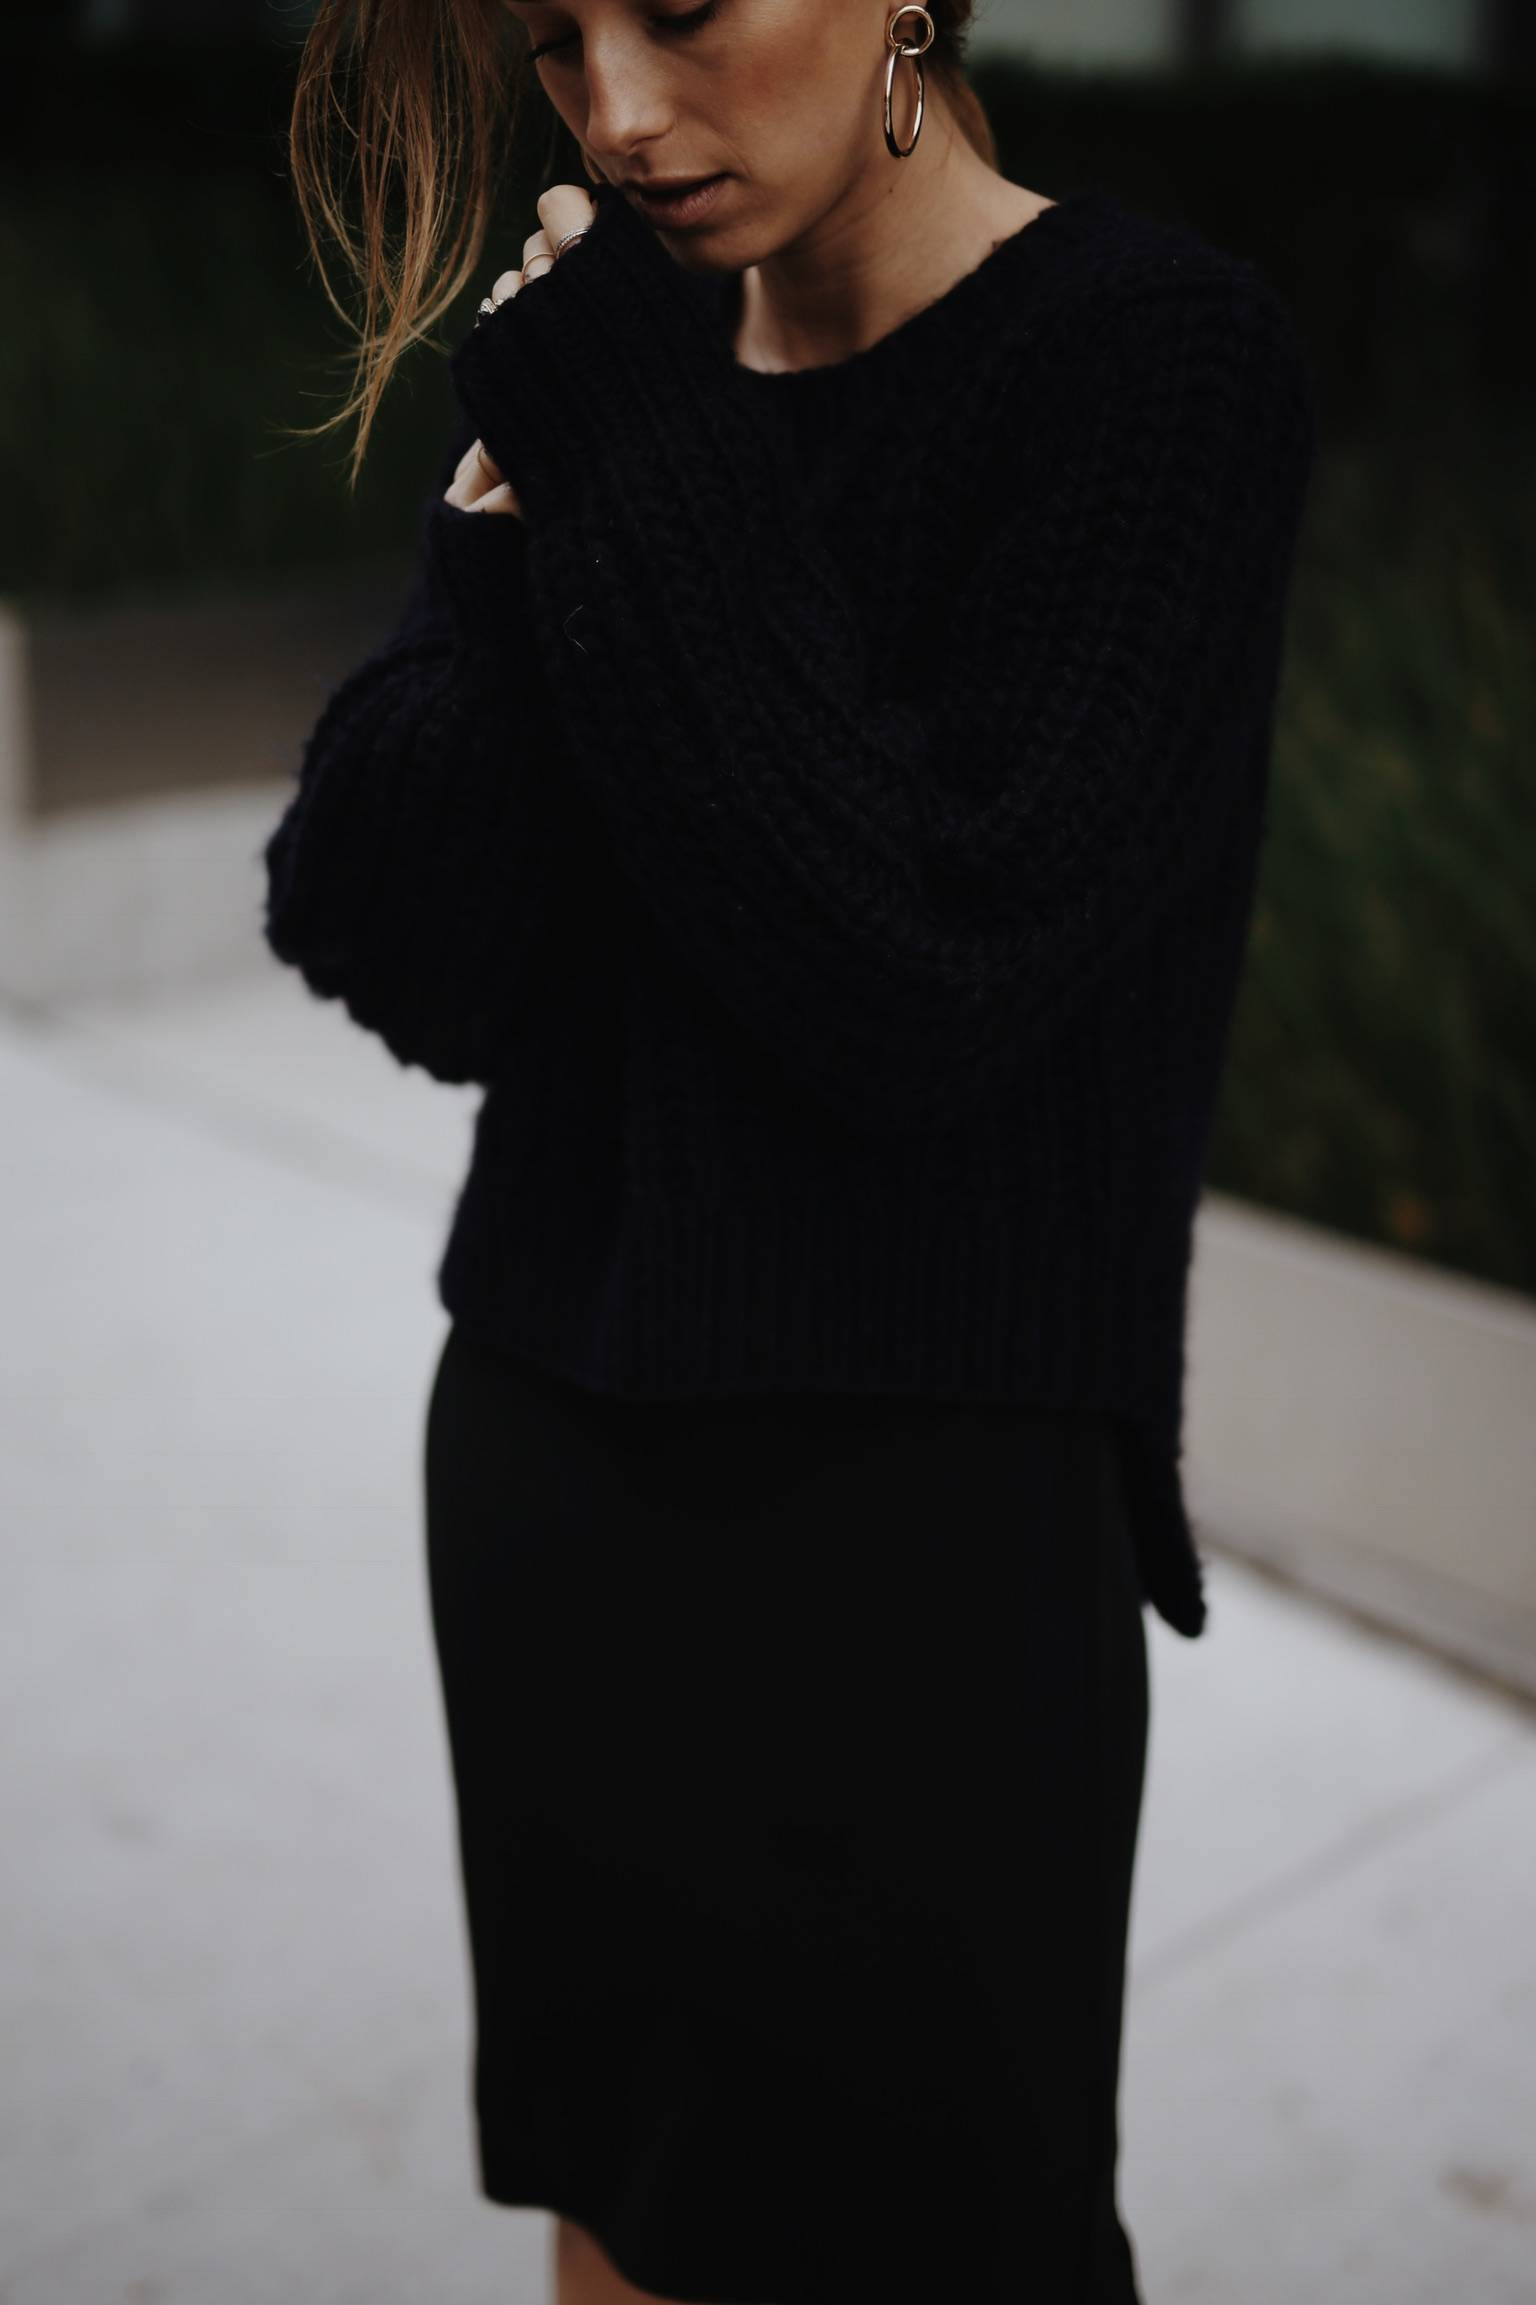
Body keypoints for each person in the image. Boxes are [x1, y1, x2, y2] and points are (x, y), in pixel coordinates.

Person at [262, 3, 1318, 2300]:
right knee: (622, 2215)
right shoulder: (624, 375)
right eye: (555, 47)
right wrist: (528, 495)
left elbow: (918, 977)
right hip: (555, 1470)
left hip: (919, 1539)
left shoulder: (1147, 366)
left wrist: (621, 441)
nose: (624, 116)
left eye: (688, 13)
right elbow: (394, 934)